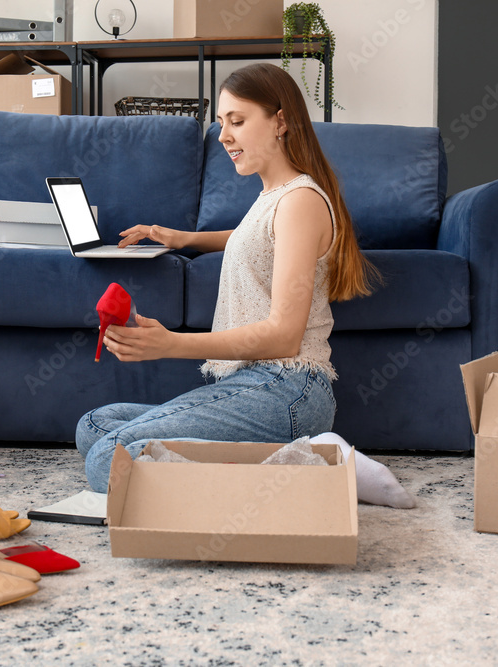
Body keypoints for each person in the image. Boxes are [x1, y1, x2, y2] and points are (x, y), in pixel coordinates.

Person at [75, 63, 414, 509]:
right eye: (221, 124)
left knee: (107, 460)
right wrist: (182, 238)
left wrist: (171, 343)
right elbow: (250, 238)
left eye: (236, 121)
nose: (223, 137)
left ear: (281, 120)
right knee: (95, 426)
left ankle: (323, 466)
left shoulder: (301, 202)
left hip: (286, 388)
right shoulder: (272, 198)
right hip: (251, 384)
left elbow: (284, 336)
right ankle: (286, 461)